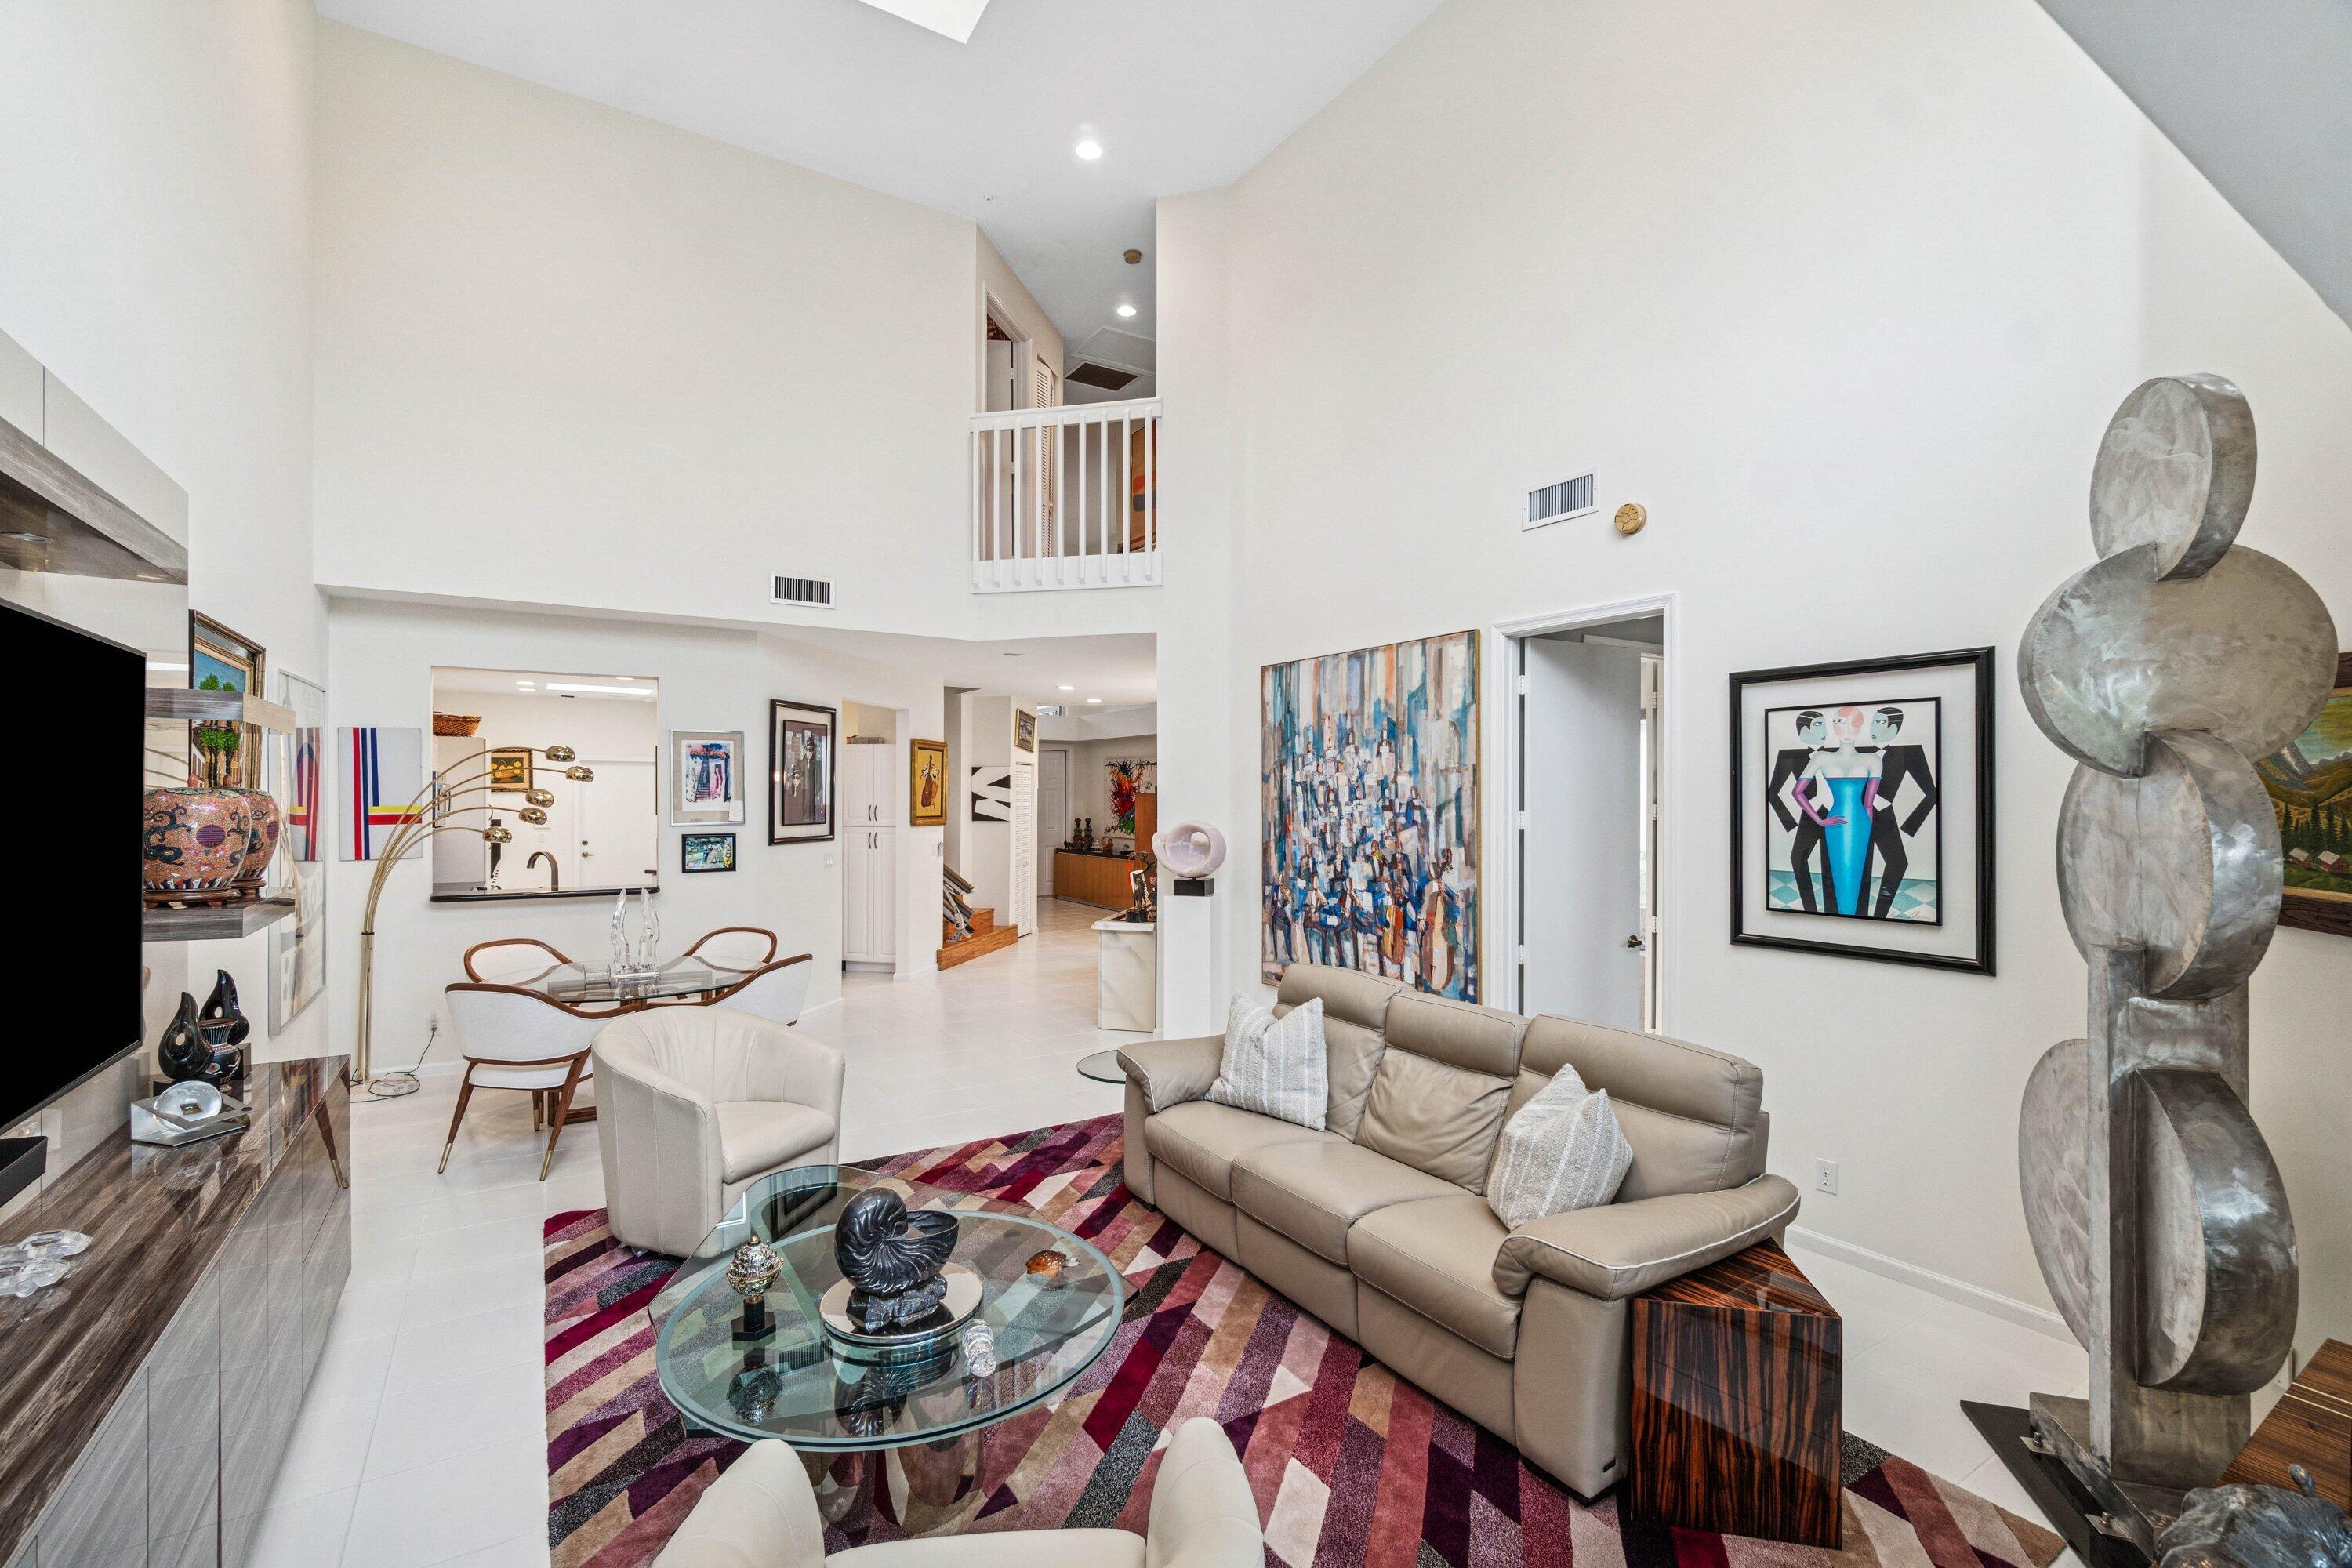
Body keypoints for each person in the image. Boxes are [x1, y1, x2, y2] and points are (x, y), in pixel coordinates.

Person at [1860, 705, 1939, 918]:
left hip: (1885, 816)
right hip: (1858, 816)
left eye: (1879, 723)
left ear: (1893, 729)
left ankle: (1880, 914)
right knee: (1861, 865)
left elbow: (1931, 793)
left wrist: (1908, 829)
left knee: (1897, 863)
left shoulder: (1909, 752)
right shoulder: (1858, 752)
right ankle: (1858, 915)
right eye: (1873, 722)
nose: (1873, 728)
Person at [1767, 710, 1834, 912]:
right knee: (1797, 859)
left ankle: (1833, 910)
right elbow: (1773, 792)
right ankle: (1809, 908)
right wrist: (1790, 824)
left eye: (1824, 725)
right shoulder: (1790, 756)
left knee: (1831, 863)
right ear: (1804, 731)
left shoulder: (1837, 753)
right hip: (1809, 815)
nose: (1824, 730)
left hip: (1836, 813)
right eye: (1818, 725)